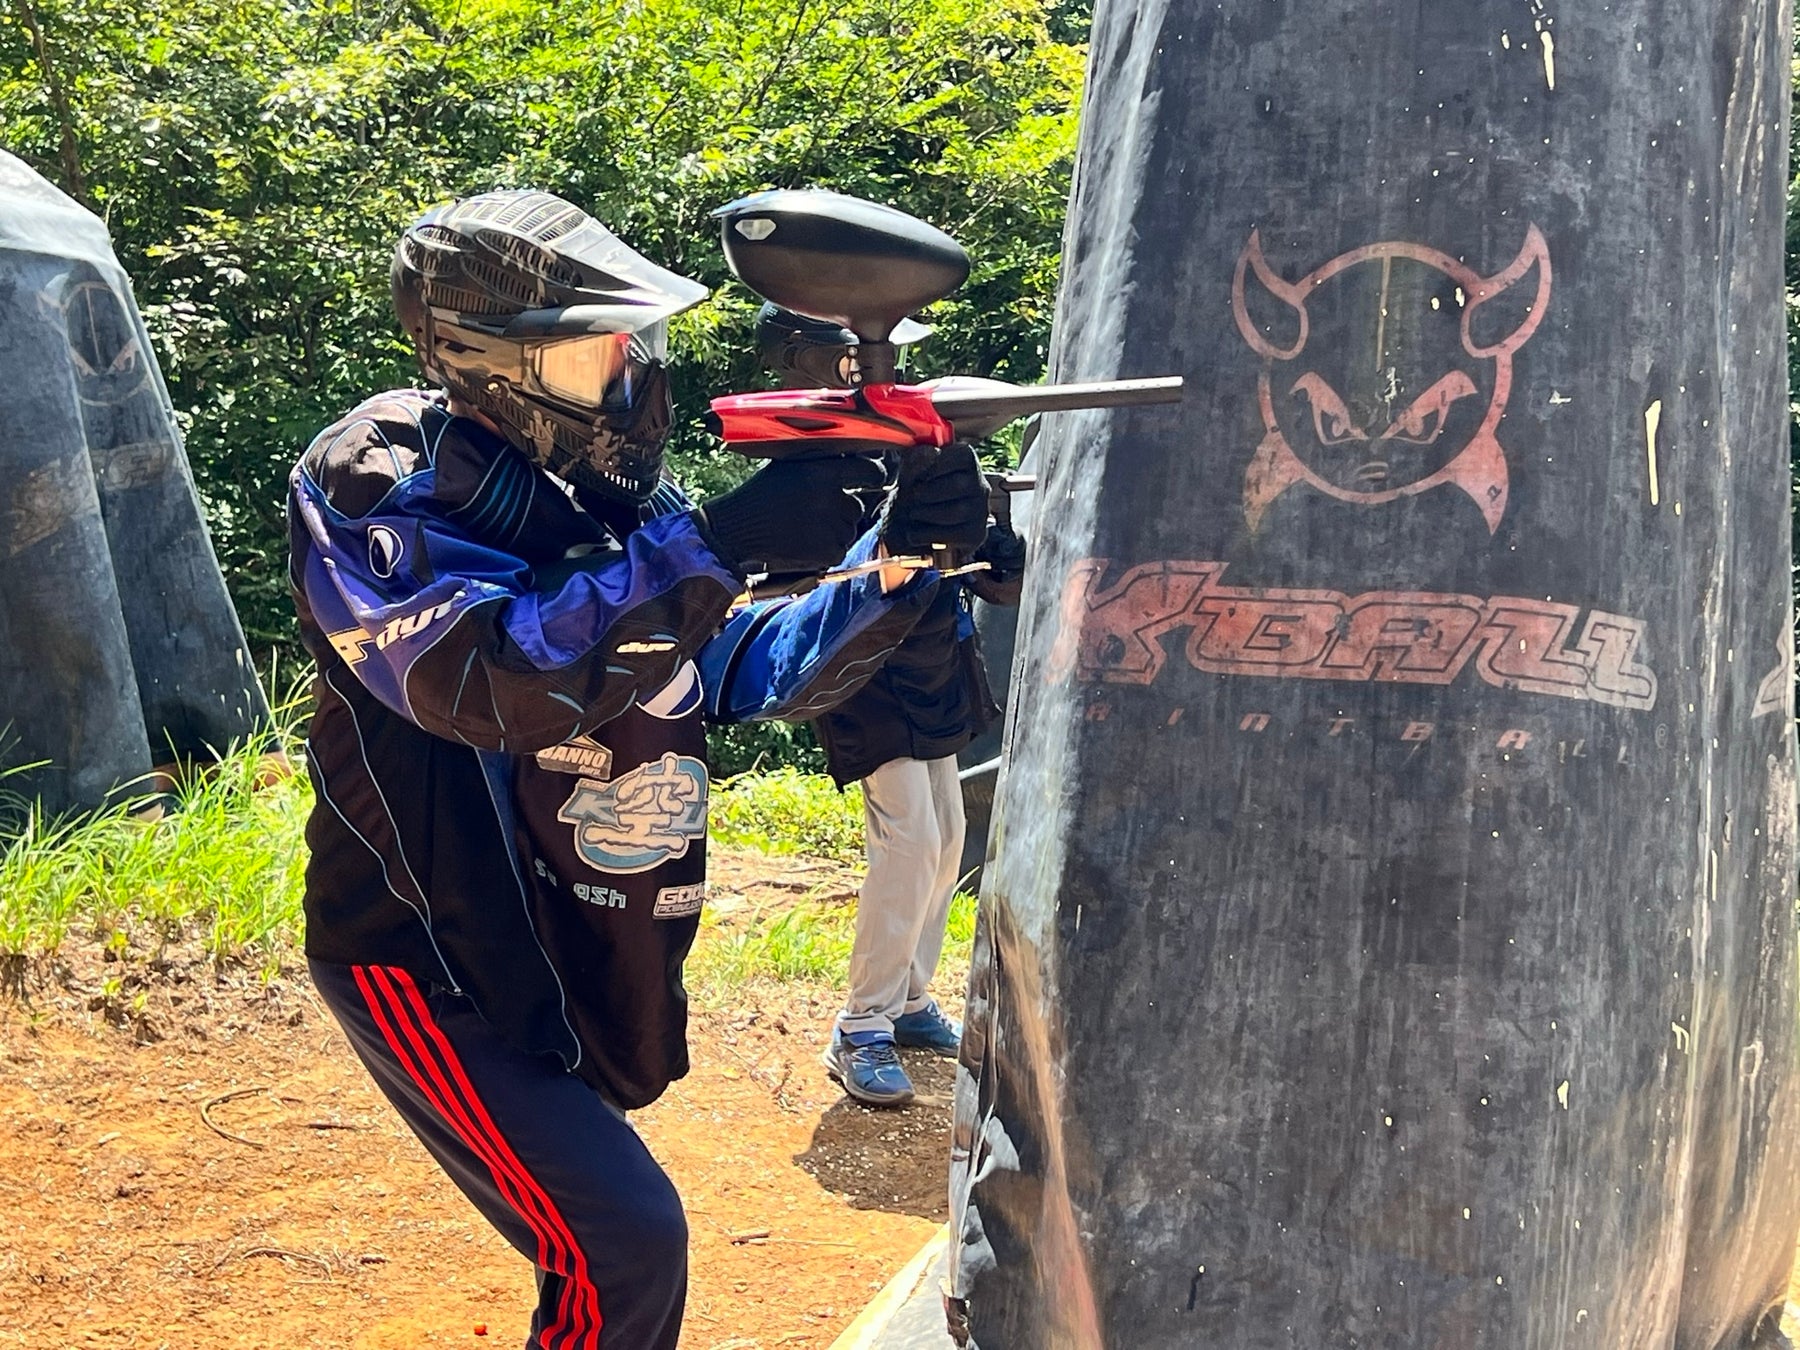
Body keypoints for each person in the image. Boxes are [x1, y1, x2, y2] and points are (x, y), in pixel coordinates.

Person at [287, 190, 988, 1349]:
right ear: (478, 358)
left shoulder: (619, 502)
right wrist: (717, 544)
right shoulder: (381, 477)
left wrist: (899, 561)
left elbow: (743, 669)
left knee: (607, 1240)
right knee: (621, 1243)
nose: (629, 382)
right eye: (592, 354)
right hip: (425, 950)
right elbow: (488, 679)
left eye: (634, 349)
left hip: (569, 933)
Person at [755, 305, 1027, 1108]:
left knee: (944, 840)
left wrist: (986, 546)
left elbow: (959, 561)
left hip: (932, 666)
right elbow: (824, 576)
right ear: (810, 360)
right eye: (858, 360)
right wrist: (903, 525)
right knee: (909, 842)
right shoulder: (807, 459)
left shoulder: (897, 443)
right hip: (865, 678)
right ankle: (860, 1025)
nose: (880, 373)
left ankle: (906, 1001)